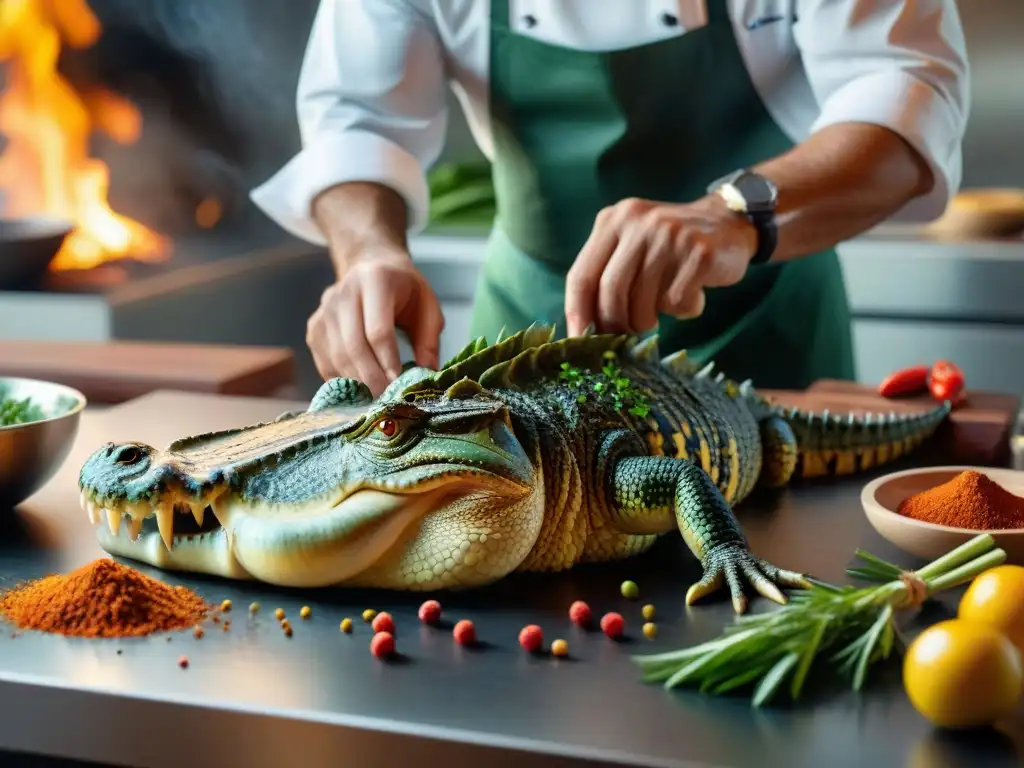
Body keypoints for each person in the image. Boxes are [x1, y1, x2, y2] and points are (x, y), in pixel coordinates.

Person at [251, 0, 970, 396]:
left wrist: (734, 211)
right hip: (526, 345)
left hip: (765, 337)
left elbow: (910, 94)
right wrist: (370, 255)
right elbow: (357, 120)